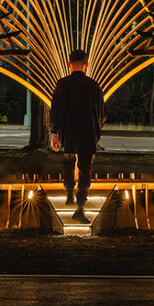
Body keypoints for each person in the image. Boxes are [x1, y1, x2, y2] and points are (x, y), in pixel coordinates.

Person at [49, 48, 106, 223]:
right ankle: (80, 208)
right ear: (86, 64)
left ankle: (69, 194)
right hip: (88, 132)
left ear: (69, 64)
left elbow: (56, 110)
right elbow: (102, 113)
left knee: (68, 160)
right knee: (85, 169)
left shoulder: (62, 84)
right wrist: (97, 131)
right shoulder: (94, 85)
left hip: (68, 131)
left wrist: (55, 132)